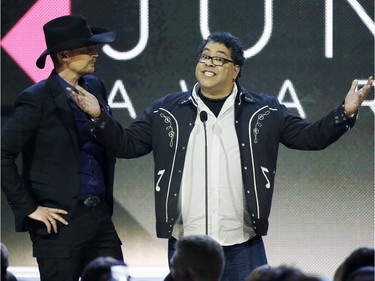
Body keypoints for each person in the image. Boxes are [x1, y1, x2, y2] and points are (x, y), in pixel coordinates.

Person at [68, 32, 374, 281]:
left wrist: (345, 113)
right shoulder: (166, 110)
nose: (208, 63)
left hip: (242, 242)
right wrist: (100, 117)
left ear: (236, 69)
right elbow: (127, 145)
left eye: (218, 58)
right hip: (187, 246)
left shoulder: (264, 111)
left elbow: (310, 138)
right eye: (204, 57)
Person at [1, 14, 124, 281]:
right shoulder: (36, 99)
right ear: (65, 55)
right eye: (87, 48)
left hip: (100, 218)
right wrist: (28, 208)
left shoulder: (95, 86)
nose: (95, 54)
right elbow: (2, 152)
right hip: (60, 223)